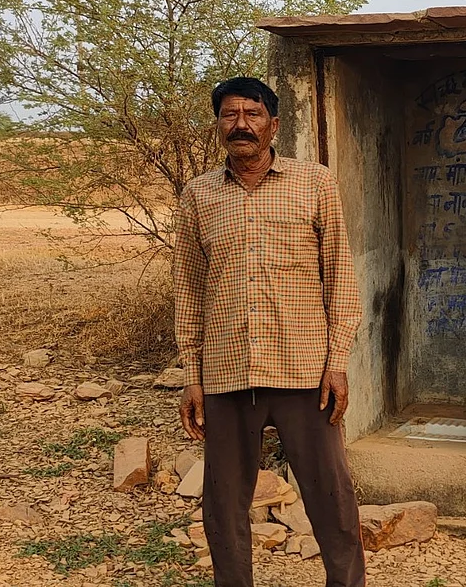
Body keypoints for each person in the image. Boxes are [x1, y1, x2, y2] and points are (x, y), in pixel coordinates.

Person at [172, 76, 365, 587]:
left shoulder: (315, 182)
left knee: (332, 496)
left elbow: (340, 275)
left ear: (273, 124)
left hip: (304, 367)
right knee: (222, 503)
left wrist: (338, 361)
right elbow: (189, 292)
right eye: (230, 115)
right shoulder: (197, 196)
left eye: (252, 115)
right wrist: (193, 376)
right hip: (226, 370)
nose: (241, 125)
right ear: (217, 126)